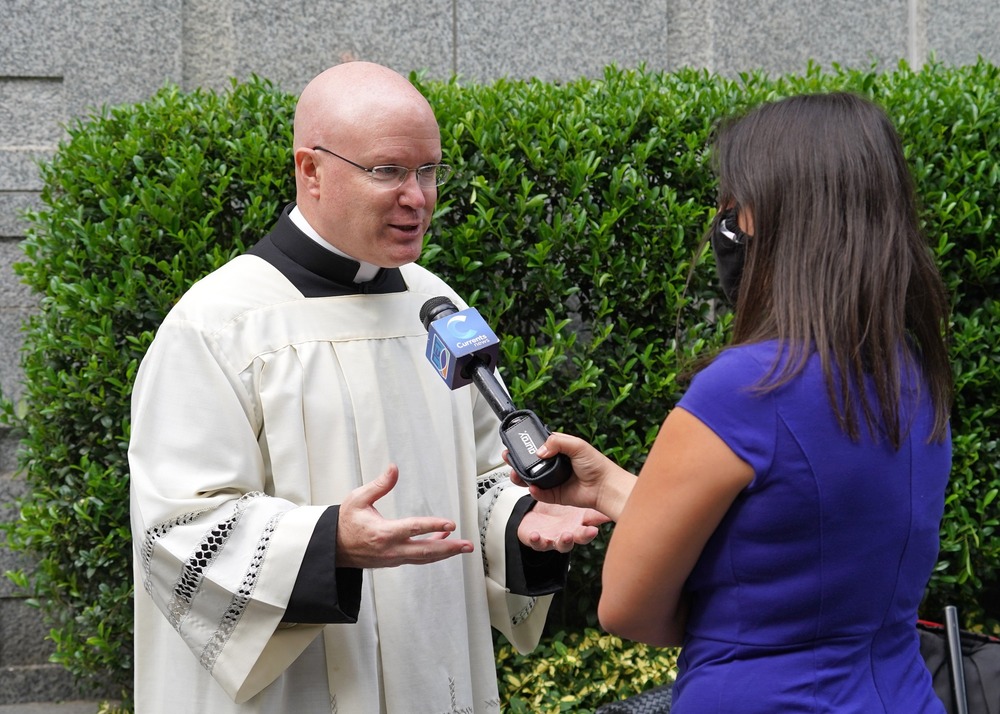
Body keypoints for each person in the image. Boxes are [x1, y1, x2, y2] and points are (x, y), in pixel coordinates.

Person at [128, 61, 604, 714]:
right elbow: (177, 529)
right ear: (312, 170)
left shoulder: (435, 307)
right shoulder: (218, 325)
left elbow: (486, 476)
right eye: (388, 171)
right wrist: (329, 544)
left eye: (429, 170)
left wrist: (523, 522)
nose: (419, 196)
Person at [519, 92, 953, 713]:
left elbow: (628, 608)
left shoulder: (745, 388)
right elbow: (795, 545)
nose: (722, 221)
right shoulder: (908, 373)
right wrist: (613, 488)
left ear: (778, 216)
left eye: (731, 202)